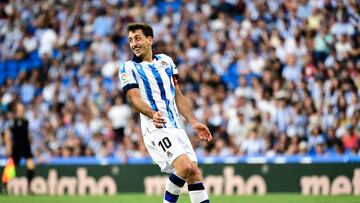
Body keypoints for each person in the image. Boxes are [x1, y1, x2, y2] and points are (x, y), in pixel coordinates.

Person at [120, 23, 212, 203]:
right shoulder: (128, 67)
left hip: (176, 126)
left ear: (150, 39)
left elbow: (178, 95)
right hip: (155, 127)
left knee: (194, 172)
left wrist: (193, 121)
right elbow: (134, 98)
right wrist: (152, 113)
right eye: (131, 40)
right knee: (184, 167)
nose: (134, 44)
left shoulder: (166, 61)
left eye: (137, 38)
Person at [4, 102, 36, 193]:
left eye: (23, 110)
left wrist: (31, 139)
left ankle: (29, 187)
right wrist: (8, 146)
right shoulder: (13, 122)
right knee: (11, 168)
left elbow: (29, 134)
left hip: (26, 147)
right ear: (17, 112)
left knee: (31, 166)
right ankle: (5, 185)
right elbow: (7, 133)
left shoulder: (27, 122)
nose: (22, 112)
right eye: (20, 110)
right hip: (16, 147)